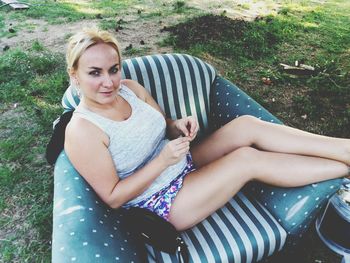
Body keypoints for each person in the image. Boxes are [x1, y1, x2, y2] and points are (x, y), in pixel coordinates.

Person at [64, 28, 350, 232]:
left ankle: (344, 149)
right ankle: (343, 169)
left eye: (114, 69)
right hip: (160, 202)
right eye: (94, 72)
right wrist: (163, 161)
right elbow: (114, 198)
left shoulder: (130, 90)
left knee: (245, 126)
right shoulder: (83, 131)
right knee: (245, 159)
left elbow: (165, 124)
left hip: (179, 163)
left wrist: (179, 125)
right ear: (74, 75)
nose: (109, 82)